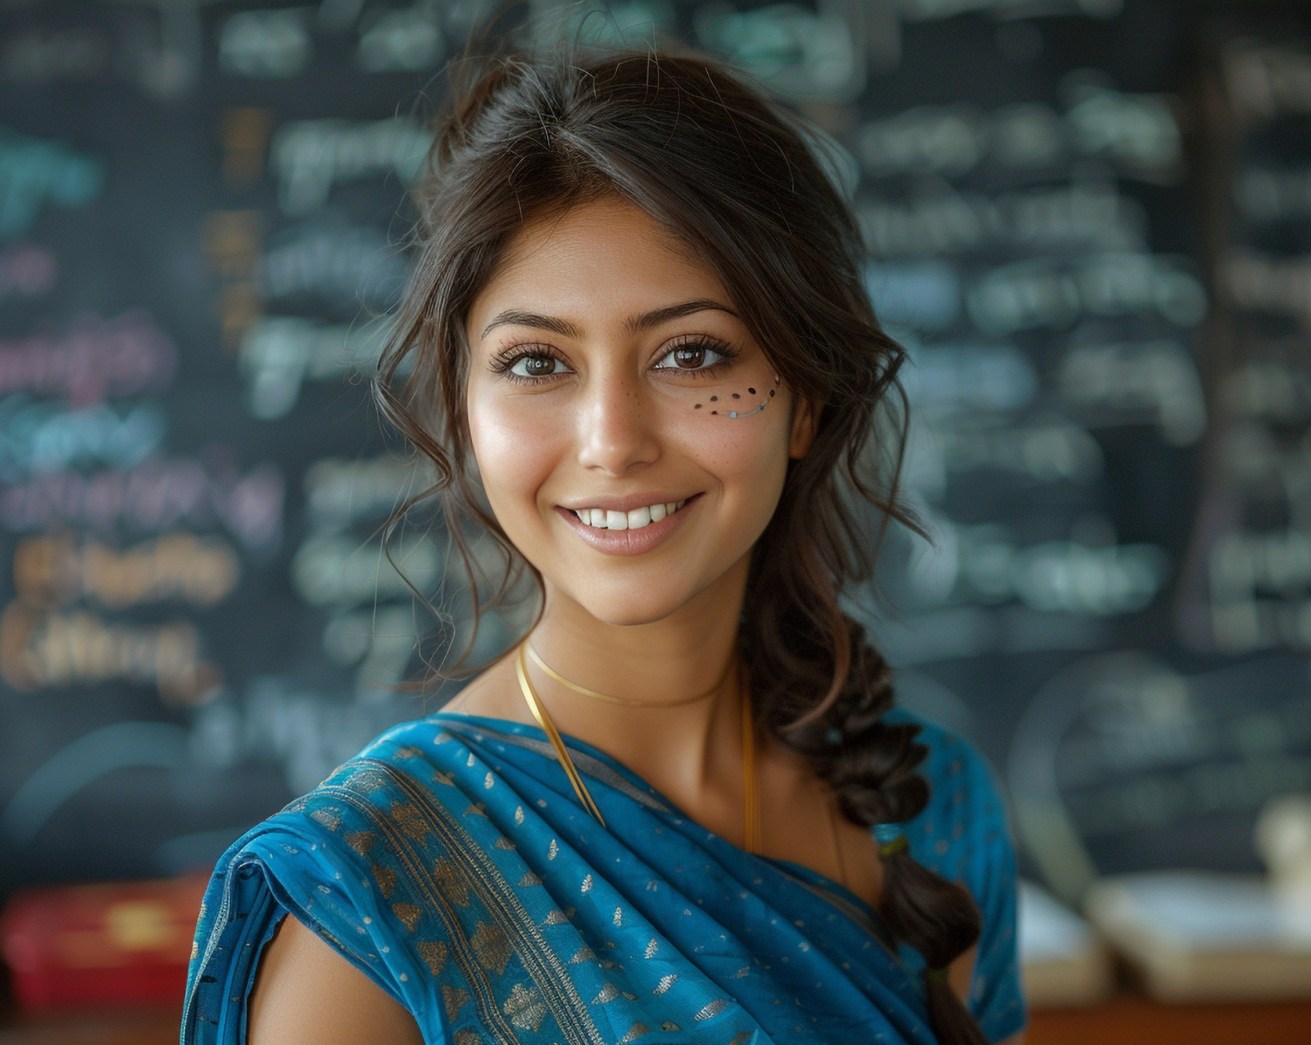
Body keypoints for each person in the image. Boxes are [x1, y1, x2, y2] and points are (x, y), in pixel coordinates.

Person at [182, 43, 1025, 1045]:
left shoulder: (935, 813)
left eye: (692, 353)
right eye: (536, 362)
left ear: (803, 400)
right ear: (462, 408)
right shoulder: (366, 895)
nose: (612, 441)